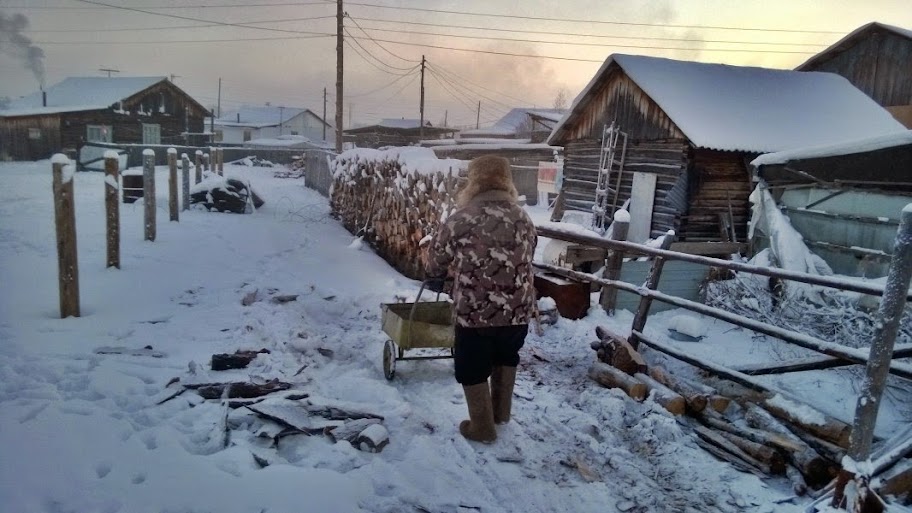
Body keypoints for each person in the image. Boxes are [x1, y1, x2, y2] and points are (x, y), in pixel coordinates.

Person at [425, 155, 538, 443]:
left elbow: (436, 259)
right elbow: (529, 254)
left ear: (473, 181)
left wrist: (437, 277)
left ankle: (482, 428)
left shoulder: (462, 218)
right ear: (506, 181)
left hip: (475, 313)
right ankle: (500, 414)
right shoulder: (523, 217)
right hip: (518, 311)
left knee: (472, 366)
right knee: (506, 356)